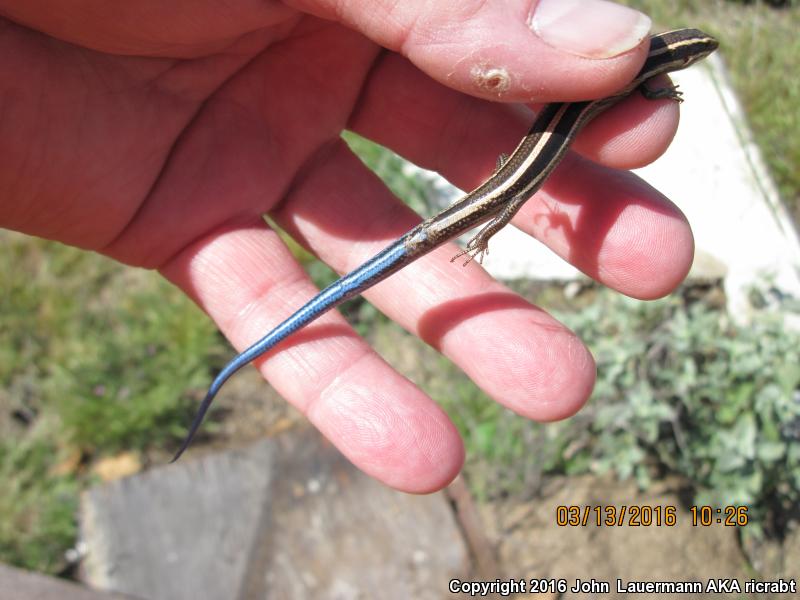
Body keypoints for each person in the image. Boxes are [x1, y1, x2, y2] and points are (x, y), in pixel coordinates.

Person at [0, 0, 694, 492]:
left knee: (507, 204)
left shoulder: (633, 78)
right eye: (693, 56)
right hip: (501, 193)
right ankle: (481, 229)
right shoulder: (636, 72)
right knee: (501, 203)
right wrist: (483, 230)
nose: (693, 59)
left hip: (507, 177)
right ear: (677, 59)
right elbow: (628, 92)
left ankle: (478, 227)